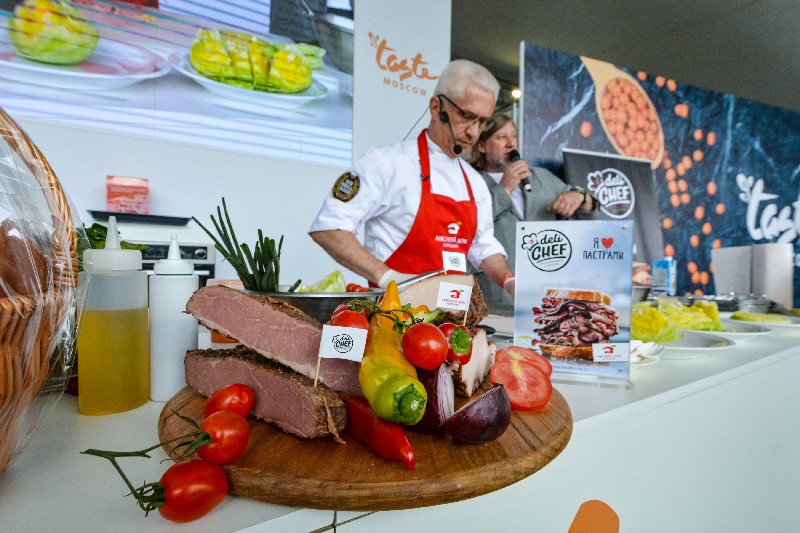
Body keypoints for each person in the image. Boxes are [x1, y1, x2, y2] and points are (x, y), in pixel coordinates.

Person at [309, 60, 516, 295]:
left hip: (453, 312)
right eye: (467, 116)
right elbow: (329, 227)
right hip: (394, 311)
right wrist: (387, 277)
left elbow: (483, 246)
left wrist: (508, 280)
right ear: (436, 108)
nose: (474, 132)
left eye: (483, 122)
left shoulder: (474, 182)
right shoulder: (386, 163)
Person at [469, 113, 597, 313]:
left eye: (513, 136)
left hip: (545, 294)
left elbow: (592, 212)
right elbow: (469, 224)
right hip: (494, 296)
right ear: (482, 146)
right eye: (501, 137)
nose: (511, 144)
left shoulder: (541, 177)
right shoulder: (470, 181)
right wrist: (504, 189)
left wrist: (580, 197)